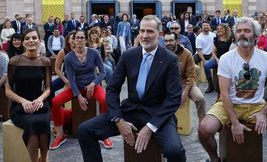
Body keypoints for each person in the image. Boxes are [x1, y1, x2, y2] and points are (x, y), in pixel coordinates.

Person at [77, 15, 186, 162]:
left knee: (175, 151)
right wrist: (118, 119)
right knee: (85, 130)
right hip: (130, 110)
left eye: (150, 31)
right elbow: (112, 89)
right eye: (142, 31)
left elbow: (174, 99)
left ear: (160, 34)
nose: (145, 35)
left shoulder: (170, 59)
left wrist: (150, 128)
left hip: (157, 114)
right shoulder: (129, 55)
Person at [198, 17, 267, 162]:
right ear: (235, 35)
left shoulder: (266, 58)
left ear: (255, 35)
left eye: (247, 31)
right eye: (239, 31)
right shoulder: (226, 59)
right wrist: (234, 122)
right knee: (204, 129)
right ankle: (214, 159)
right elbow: (224, 93)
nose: (242, 34)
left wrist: (263, 113)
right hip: (228, 105)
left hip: (257, 106)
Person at [50, 30, 112, 150]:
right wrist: (78, 96)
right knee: (55, 102)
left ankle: (104, 135)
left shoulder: (94, 53)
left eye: (82, 37)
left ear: (85, 39)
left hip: (93, 85)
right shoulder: (68, 57)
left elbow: (103, 72)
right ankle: (60, 135)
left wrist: (93, 84)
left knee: (105, 101)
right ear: (73, 40)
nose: (79, 40)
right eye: (77, 38)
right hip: (76, 87)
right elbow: (70, 78)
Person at [5, 29, 51, 162]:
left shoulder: (45, 61)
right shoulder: (14, 61)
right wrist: (23, 101)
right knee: (31, 123)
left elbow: (48, 88)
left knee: (43, 122)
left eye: (34, 38)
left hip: (39, 104)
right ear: (23, 43)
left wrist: (40, 99)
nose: (31, 41)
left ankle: (43, 158)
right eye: (27, 38)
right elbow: (8, 90)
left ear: (39, 41)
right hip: (20, 106)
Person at [164, 31, 206, 122]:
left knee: (200, 98)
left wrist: (185, 93)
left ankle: (202, 126)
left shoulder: (186, 53)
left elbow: (191, 75)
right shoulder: (161, 53)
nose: (168, 43)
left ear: (177, 41)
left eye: (171, 40)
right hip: (167, 84)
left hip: (184, 82)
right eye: (166, 41)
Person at [203, 23, 232, 93]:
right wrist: (217, 60)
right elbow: (213, 52)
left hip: (227, 60)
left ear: (225, 29)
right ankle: (210, 85)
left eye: (221, 29)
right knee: (206, 65)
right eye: (218, 29)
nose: (219, 30)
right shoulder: (216, 39)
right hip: (218, 59)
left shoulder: (230, 39)